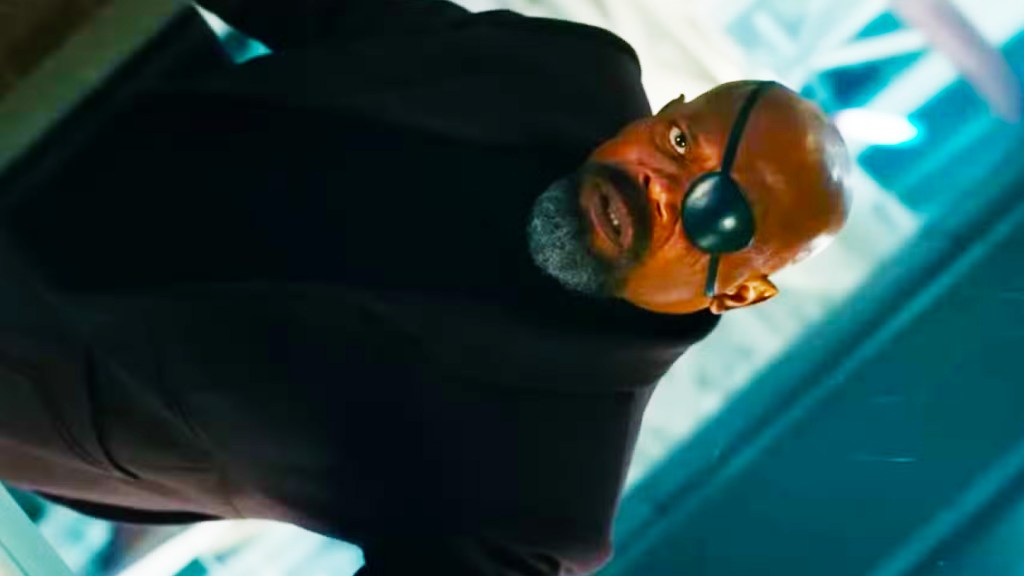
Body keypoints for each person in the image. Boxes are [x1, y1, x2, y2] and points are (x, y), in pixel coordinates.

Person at [0, 0, 850, 573]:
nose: (658, 183)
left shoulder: (542, 494)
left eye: (714, 214)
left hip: (32, 349)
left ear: (737, 294)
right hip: (77, 78)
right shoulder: (561, 73)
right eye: (677, 138)